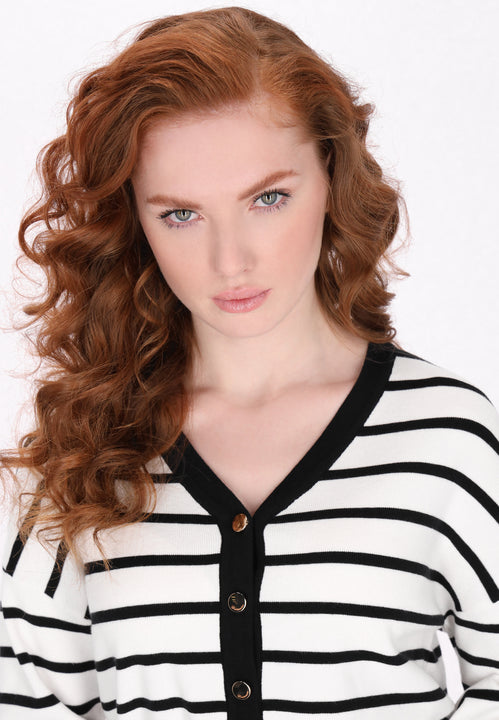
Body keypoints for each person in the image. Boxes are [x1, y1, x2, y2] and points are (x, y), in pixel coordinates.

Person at [0, 6, 497, 719]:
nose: (229, 260)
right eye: (180, 214)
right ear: (133, 219)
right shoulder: (80, 455)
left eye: (268, 198)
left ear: (331, 175)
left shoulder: (446, 437)